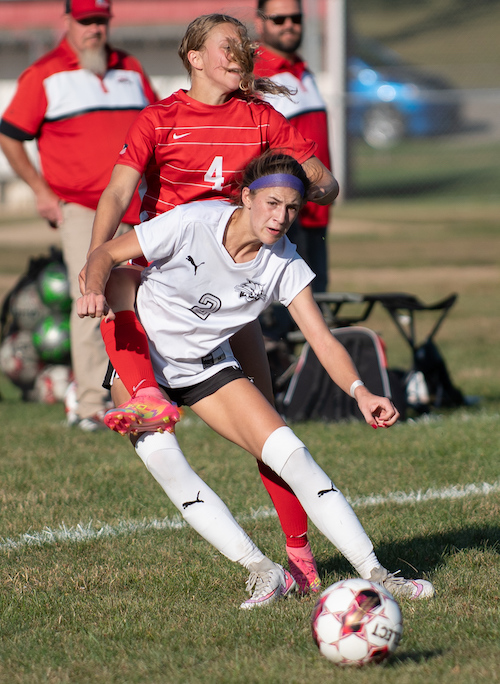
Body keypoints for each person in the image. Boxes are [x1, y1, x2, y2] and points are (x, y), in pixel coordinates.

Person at [77, 152, 435, 606]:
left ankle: (378, 574)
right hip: (142, 356)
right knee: (168, 463)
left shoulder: (284, 262)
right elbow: (106, 255)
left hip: (207, 366)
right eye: (272, 203)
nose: (280, 217)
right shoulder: (193, 221)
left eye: (292, 207)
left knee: (293, 455)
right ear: (246, 197)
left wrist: (361, 392)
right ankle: (264, 571)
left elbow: (322, 340)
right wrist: (92, 288)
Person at [80, 13, 339, 593]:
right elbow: (118, 191)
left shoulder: (262, 116)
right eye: (227, 45)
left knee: (268, 429)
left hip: (229, 291)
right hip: (166, 287)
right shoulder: (161, 119)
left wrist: (312, 183)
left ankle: (299, 555)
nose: (239, 52)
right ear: (194, 57)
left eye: (243, 44)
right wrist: (98, 255)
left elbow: (323, 181)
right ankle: (147, 394)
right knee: (150, 429)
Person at [0, 0, 158, 431]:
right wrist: (40, 192)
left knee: (143, 300)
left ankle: (143, 391)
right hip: (83, 207)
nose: (94, 29)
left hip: (136, 206)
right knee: (91, 296)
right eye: (86, 21)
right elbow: (10, 136)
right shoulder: (45, 73)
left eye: (101, 21)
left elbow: (158, 125)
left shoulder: (130, 68)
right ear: (68, 20)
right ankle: (90, 403)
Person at [254, 0, 332, 293]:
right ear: (260, 22)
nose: (289, 25)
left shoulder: (303, 70)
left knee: (318, 298)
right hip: (285, 213)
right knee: (285, 303)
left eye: (296, 18)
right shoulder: (256, 75)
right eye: (279, 19)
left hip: (316, 210)